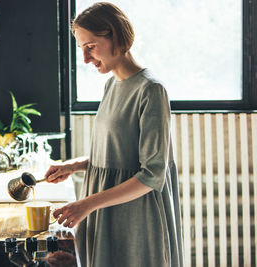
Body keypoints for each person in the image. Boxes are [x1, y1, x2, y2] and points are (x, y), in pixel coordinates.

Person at [44, 2, 184, 267]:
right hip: (105, 211)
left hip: (135, 220)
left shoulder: (151, 90)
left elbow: (151, 175)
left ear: (115, 36)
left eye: (90, 47)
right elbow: (118, 153)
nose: (85, 59)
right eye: (81, 49)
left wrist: (86, 204)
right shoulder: (111, 84)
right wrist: (74, 165)